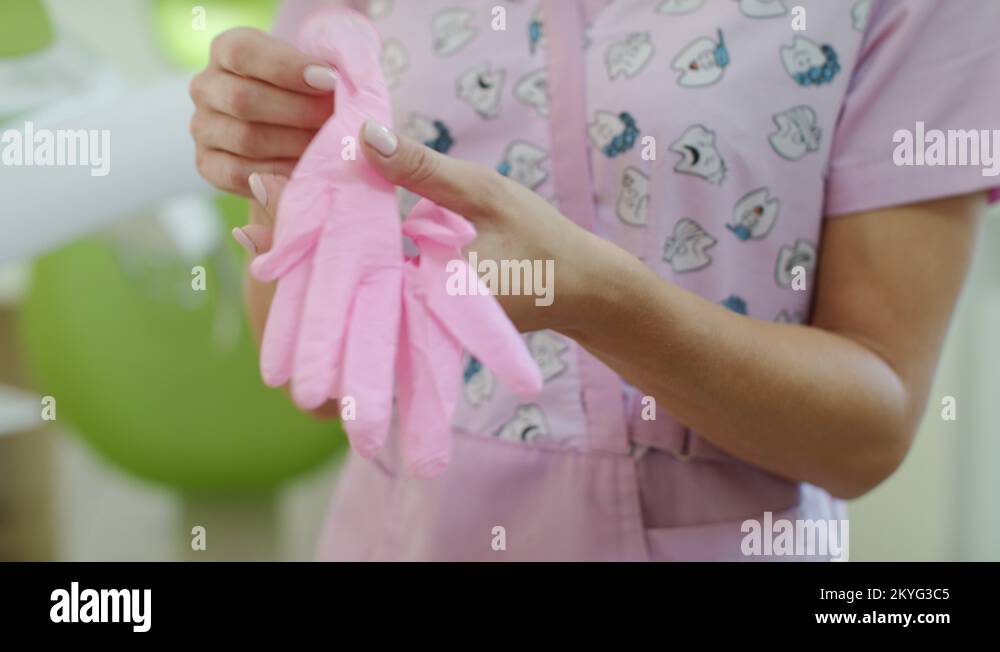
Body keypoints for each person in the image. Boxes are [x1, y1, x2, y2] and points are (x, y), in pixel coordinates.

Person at [189, 0, 1000, 560]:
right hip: (404, 533)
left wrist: (605, 305)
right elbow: (316, 378)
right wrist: (293, 182)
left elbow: (867, 435)